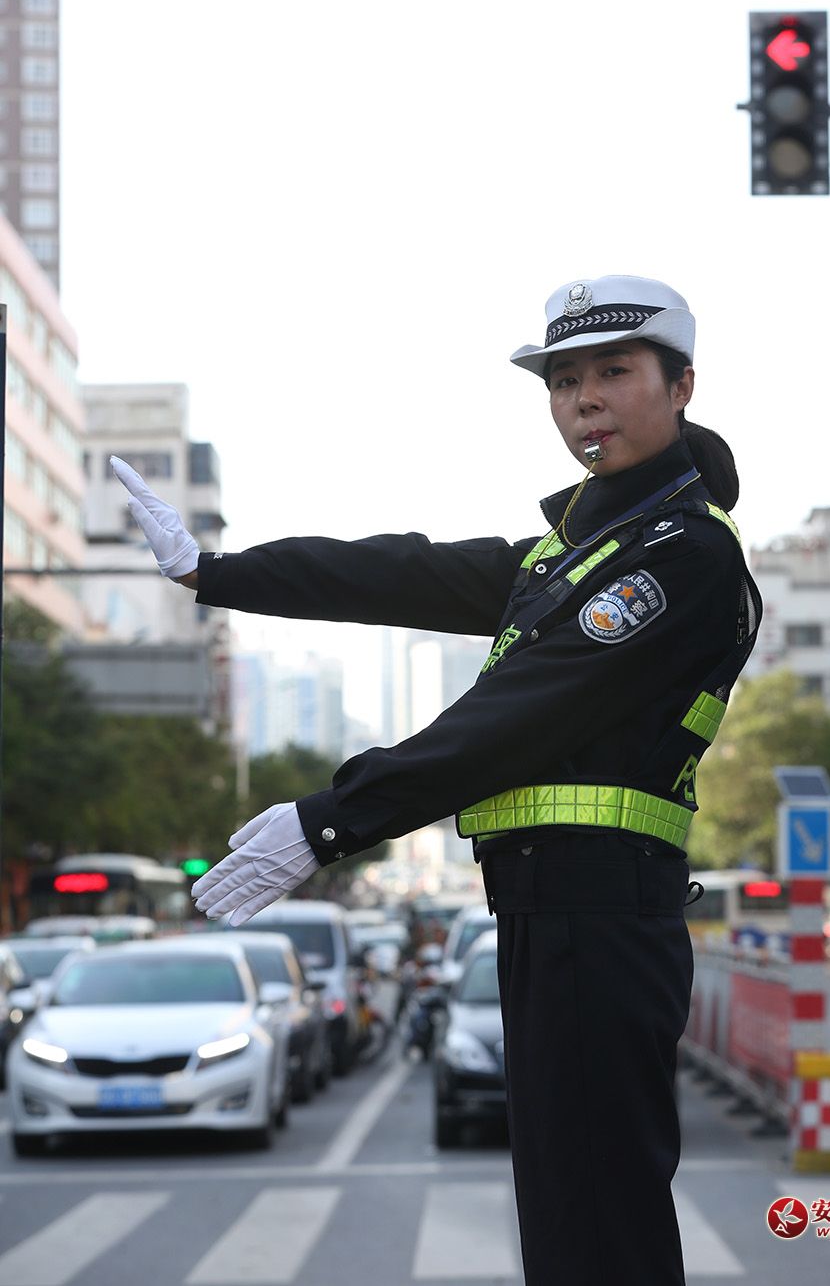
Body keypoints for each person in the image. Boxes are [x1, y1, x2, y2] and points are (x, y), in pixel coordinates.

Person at [112, 274, 762, 1286]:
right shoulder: (577, 550)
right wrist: (218, 572)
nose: (584, 399)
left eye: (613, 372)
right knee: (568, 1222)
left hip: (601, 915)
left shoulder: (682, 553)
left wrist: (331, 821)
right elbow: (400, 570)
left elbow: (518, 717)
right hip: (551, 910)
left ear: (681, 386)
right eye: (564, 382)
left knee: (600, 1224)